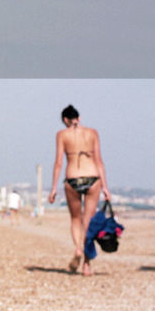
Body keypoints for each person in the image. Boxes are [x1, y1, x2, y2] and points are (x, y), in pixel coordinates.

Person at [48, 104, 110, 275]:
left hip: (72, 178)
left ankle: (77, 248)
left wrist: (53, 188)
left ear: (65, 120)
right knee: (88, 221)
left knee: (75, 218)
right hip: (92, 178)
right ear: (79, 117)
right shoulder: (92, 133)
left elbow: (58, 162)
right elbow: (99, 161)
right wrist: (105, 187)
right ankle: (87, 265)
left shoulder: (62, 135)